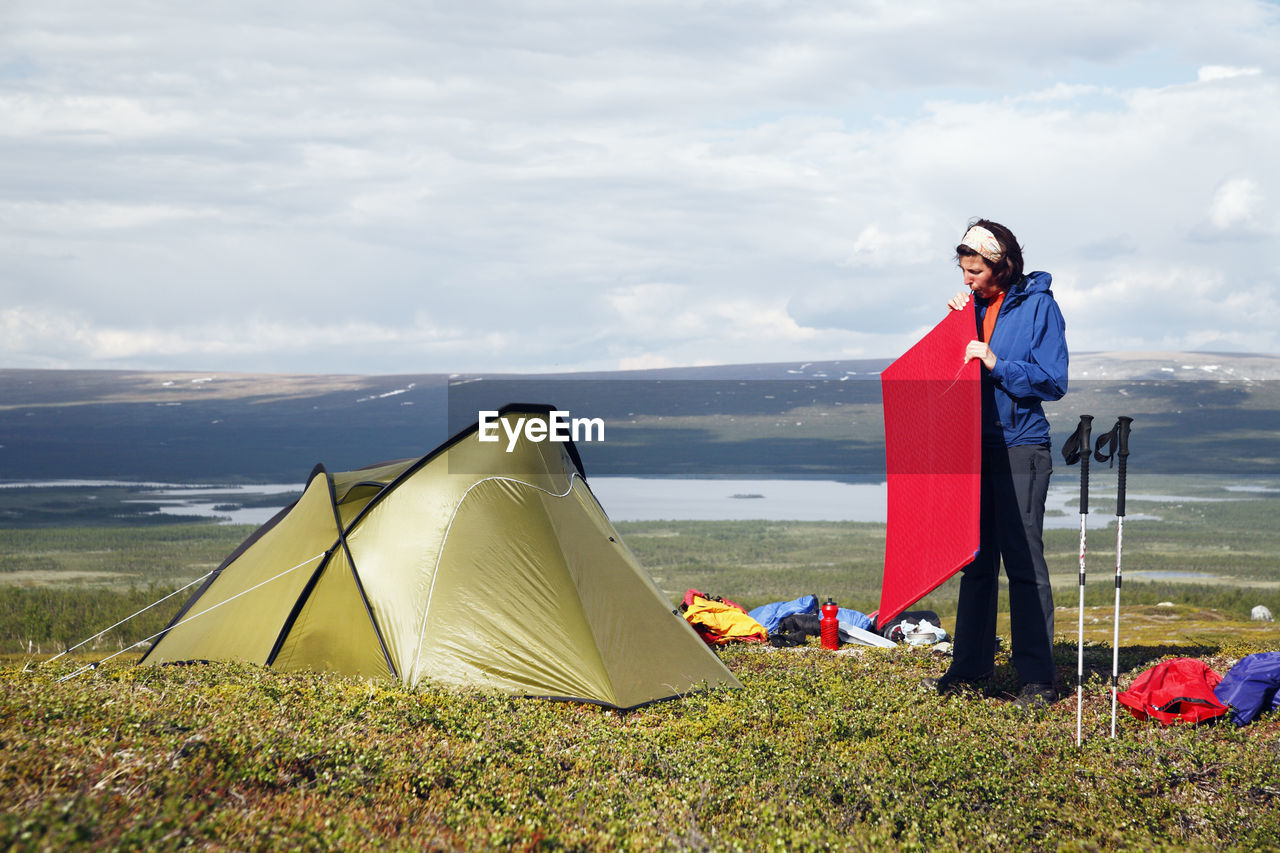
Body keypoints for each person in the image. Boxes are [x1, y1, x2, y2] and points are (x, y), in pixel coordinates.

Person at [924, 219, 1069, 708]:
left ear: (1001, 264)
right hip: (972, 449)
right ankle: (968, 669)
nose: (967, 279)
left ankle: (1038, 679)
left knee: (1024, 563)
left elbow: (1053, 380)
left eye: (975, 272)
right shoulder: (971, 308)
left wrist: (995, 361)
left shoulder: (1039, 307)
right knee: (976, 561)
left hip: (1022, 447)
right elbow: (950, 377)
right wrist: (953, 329)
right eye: (964, 271)